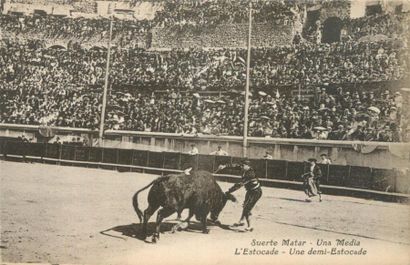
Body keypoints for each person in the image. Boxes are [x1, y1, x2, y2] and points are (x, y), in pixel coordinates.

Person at [218, 159, 262, 232]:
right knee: (246, 206)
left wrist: (229, 191)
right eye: (241, 165)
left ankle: (250, 226)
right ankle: (241, 221)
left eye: (243, 165)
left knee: (247, 208)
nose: (241, 167)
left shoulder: (250, 174)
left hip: (255, 192)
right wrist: (224, 166)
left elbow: (239, 185)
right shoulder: (245, 168)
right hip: (250, 191)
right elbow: (234, 166)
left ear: (248, 166)